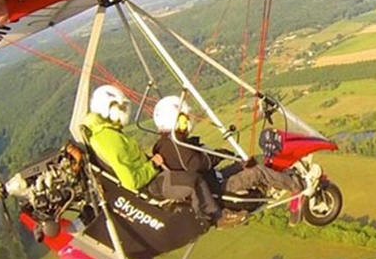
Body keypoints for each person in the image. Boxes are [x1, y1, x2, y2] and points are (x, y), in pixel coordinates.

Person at [83, 85, 245, 228]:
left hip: (152, 178)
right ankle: (216, 218)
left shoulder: (107, 133)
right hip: (150, 185)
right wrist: (153, 164)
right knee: (193, 179)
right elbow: (131, 181)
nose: (125, 112)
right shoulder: (108, 138)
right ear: (108, 108)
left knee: (191, 176)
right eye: (121, 108)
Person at [151, 96, 303, 198]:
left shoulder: (168, 143)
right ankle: (299, 185)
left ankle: (281, 178)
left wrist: (221, 154)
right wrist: (218, 154)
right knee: (256, 172)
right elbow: (196, 164)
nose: (188, 120)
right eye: (185, 117)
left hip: (217, 178)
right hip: (217, 188)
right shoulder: (175, 144)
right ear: (178, 120)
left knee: (251, 161)